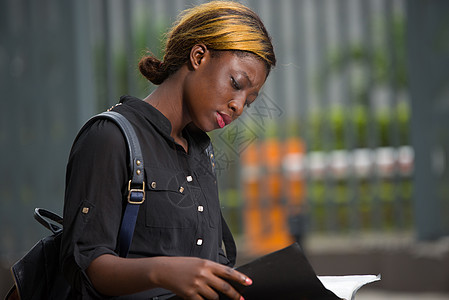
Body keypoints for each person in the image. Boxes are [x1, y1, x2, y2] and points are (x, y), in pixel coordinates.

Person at [60, 1, 276, 299]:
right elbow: (84, 265)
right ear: (199, 56)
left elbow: (208, 259)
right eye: (236, 83)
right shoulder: (110, 137)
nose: (238, 105)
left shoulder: (201, 152)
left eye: (248, 101)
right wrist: (163, 271)